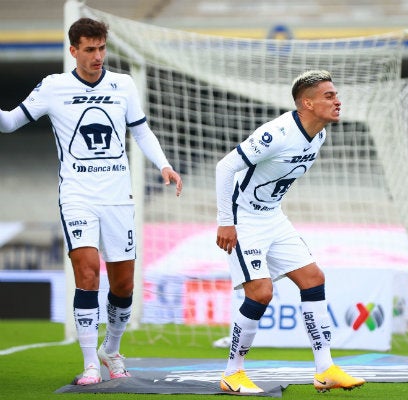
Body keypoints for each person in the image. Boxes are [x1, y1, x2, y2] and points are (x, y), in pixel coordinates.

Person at [0, 18, 183, 385]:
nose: (98, 56)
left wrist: (163, 164)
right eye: (90, 49)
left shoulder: (123, 84)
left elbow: (141, 129)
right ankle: (89, 363)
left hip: (118, 197)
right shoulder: (54, 87)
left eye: (102, 48)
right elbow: (8, 123)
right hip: (78, 196)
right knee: (87, 275)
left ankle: (110, 349)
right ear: (73, 51)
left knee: (123, 286)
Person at [215, 70, 365, 393]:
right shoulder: (277, 133)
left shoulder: (320, 135)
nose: (338, 101)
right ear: (306, 103)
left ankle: (325, 370)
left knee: (314, 278)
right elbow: (225, 167)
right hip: (244, 219)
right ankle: (232, 373)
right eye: (329, 96)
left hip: (273, 217)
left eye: (336, 95)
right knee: (261, 292)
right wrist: (226, 221)